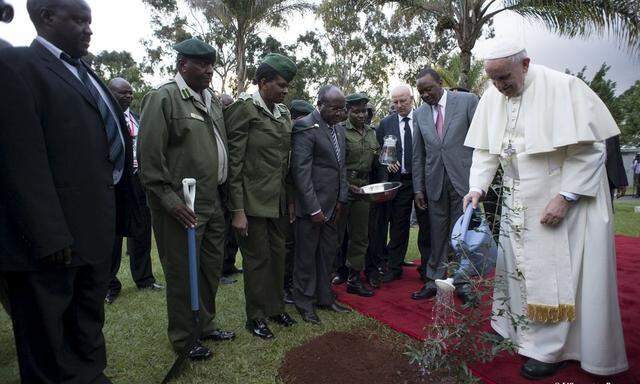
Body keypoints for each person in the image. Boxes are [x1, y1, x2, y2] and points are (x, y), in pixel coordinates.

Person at [463, 40, 628, 380]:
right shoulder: (495, 96)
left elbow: (592, 150)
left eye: (504, 78)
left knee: (552, 276)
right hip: (518, 198)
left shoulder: (563, 88)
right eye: (492, 79)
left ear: (525, 64)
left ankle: (551, 349)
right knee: (516, 270)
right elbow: (486, 150)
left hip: (561, 200)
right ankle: (517, 330)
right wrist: (476, 187)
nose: (498, 87)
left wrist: (565, 196)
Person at [0, 0, 136, 381]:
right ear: (46, 18)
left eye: (89, 21)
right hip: (50, 242)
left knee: (86, 320)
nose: (88, 29)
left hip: (94, 231)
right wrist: (49, 235)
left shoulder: (86, 73)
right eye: (78, 20)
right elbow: (21, 161)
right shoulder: (17, 68)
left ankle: (91, 376)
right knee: (47, 337)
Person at [138, 38, 235, 361]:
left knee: (209, 269)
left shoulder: (212, 100)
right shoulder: (164, 97)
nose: (209, 70)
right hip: (182, 205)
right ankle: (184, 337)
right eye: (202, 64)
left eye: (211, 64)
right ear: (182, 65)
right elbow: (149, 158)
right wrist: (169, 199)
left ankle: (205, 325)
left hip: (211, 200)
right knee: (182, 273)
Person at [224, 53, 298, 339]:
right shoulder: (245, 109)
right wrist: (237, 210)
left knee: (278, 257)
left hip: (277, 201)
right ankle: (255, 316)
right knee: (257, 260)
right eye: (280, 84)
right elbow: (235, 163)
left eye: (287, 85)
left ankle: (276, 307)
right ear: (263, 82)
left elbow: (285, 162)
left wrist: (289, 200)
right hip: (251, 202)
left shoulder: (283, 113)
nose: (285, 90)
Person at [411, 68, 479, 303]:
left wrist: (480, 182)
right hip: (434, 183)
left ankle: (463, 285)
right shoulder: (419, 114)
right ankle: (433, 280)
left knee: (462, 237)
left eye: (429, 89)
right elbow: (418, 154)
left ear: (441, 83)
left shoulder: (468, 101)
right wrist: (418, 188)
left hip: (465, 183)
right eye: (421, 92)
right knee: (436, 235)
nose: (426, 95)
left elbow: (482, 144)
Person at [291, 85, 351, 324]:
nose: (339, 113)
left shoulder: (339, 130)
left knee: (327, 254)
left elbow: (341, 167)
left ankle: (325, 297)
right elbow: (301, 172)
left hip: (333, 206)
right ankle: (305, 303)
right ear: (321, 104)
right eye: (335, 108)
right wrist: (314, 208)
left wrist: (340, 199)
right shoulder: (306, 127)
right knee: (306, 258)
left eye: (342, 108)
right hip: (312, 208)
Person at [105, 77, 163, 304]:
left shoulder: (138, 119)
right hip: (115, 182)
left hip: (140, 182)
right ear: (110, 93)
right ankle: (109, 284)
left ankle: (145, 278)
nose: (128, 96)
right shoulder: (103, 118)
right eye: (123, 93)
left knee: (141, 231)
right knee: (113, 235)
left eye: (130, 93)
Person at [377, 85, 431, 283]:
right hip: (398, 183)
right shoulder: (385, 124)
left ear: (412, 99)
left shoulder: (424, 119)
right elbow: (379, 152)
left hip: (422, 183)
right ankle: (394, 267)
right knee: (399, 226)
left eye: (403, 101)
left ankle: (426, 269)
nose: (399, 105)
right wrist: (387, 161)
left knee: (426, 225)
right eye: (395, 102)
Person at [334, 93, 380, 297]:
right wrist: (346, 185)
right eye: (356, 111)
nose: (362, 115)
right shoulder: (340, 131)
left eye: (364, 111)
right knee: (336, 235)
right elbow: (335, 164)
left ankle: (354, 278)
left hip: (364, 189)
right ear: (347, 111)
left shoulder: (371, 132)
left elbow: (378, 159)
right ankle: (333, 272)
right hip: (343, 188)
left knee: (360, 237)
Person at [282, 99, 316, 305]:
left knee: (299, 246)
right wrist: (291, 202)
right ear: (295, 119)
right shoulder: (287, 139)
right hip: (288, 200)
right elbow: (288, 175)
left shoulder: (306, 137)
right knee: (288, 246)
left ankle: (296, 284)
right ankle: (283, 287)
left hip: (304, 200)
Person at [605, 135, 628, 205]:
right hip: (581, 179)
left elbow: (617, 152)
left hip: (608, 179)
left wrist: (622, 181)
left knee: (607, 211)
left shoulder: (610, 126)